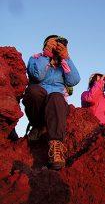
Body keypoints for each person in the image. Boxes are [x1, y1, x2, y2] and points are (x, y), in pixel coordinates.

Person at [23, 35, 80, 170]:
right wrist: (46, 55)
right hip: (38, 106)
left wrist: (65, 57)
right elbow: (38, 76)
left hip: (56, 106)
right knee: (34, 91)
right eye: (52, 43)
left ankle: (56, 147)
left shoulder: (63, 64)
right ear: (45, 45)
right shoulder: (36, 58)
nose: (55, 46)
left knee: (56, 96)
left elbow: (74, 80)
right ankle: (37, 126)